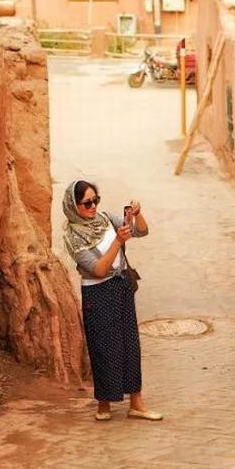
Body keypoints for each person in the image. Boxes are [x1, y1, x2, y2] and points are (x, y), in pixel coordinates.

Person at [62, 180, 162, 422]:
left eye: (96, 200)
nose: (93, 206)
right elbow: (97, 269)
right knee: (104, 348)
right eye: (87, 203)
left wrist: (136, 215)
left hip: (121, 288)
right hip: (97, 294)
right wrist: (118, 241)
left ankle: (136, 403)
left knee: (130, 344)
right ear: (74, 206)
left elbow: (141, 231)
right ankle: (104, 403)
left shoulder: (105, 219)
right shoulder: (73, 236)